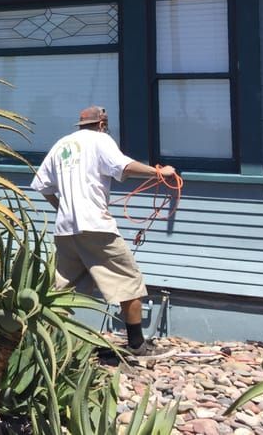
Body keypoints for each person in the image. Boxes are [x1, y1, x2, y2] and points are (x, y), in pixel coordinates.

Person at [30, 105, 176, 356]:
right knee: (130, 282)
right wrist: (158, 172)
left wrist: (62, 208)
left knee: (61, 292)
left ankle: (47, 349)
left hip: (65, 230)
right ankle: (137, 345)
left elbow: (43, 185)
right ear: (101, 124)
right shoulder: (100, 140)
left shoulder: (62, 144)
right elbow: (124, 166)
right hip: (97, 227)